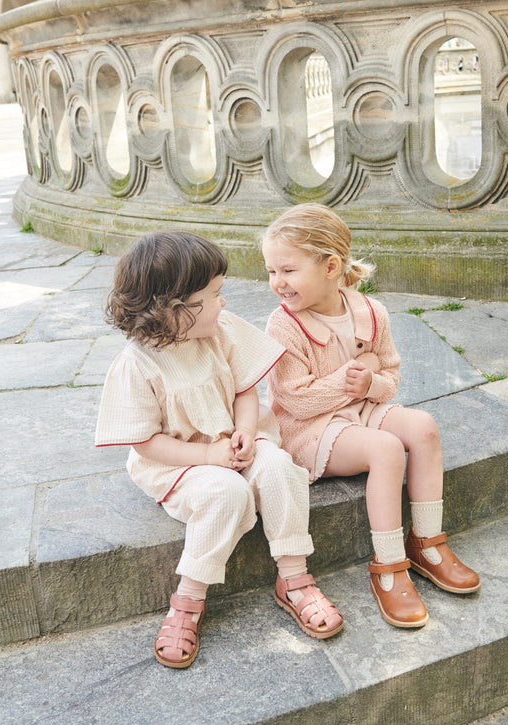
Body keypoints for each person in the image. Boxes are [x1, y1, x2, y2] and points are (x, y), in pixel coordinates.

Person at [95, 231, 343, 669]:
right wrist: (209, 458)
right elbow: (145, 441)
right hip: (179, 461)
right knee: (225, 493)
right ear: (174, 309)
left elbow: (245, 388)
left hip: (233, 441)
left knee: (279, 468)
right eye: (213, 295)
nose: (223, 303)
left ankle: (294, 577)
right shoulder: (138, 363)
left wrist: (246, 429)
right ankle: (189, 598)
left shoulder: (220, 332)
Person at [262, 204, 480, 630]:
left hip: (362, 410)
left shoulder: (370, 312)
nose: (277, 283)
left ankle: (427, 543)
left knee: (423, 428)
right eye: (271, 271)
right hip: (310, 431)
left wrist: (370, 387)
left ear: (330, 266)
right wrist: (349, 381)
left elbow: (390, 374)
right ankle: (390, 564)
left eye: (287, 270)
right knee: (386, 450)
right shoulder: (283, 325)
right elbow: (294, 400)